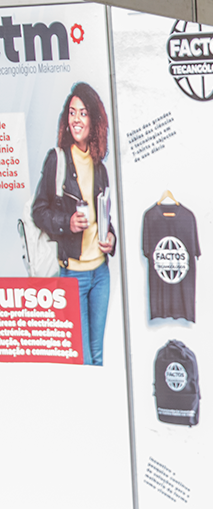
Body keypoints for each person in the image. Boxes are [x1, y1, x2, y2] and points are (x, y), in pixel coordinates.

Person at [31, 81, 117, 366]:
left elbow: (104, 217)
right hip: (73, 276)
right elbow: (38, 212)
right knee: (81, 359)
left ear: (94, 120)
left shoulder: (99, 166)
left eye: (83, 113)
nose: (76, 119)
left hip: (101, 274)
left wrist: (111, 239)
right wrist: (66, 222)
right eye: (72, 112)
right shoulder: (57, 159)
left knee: (98, 356)